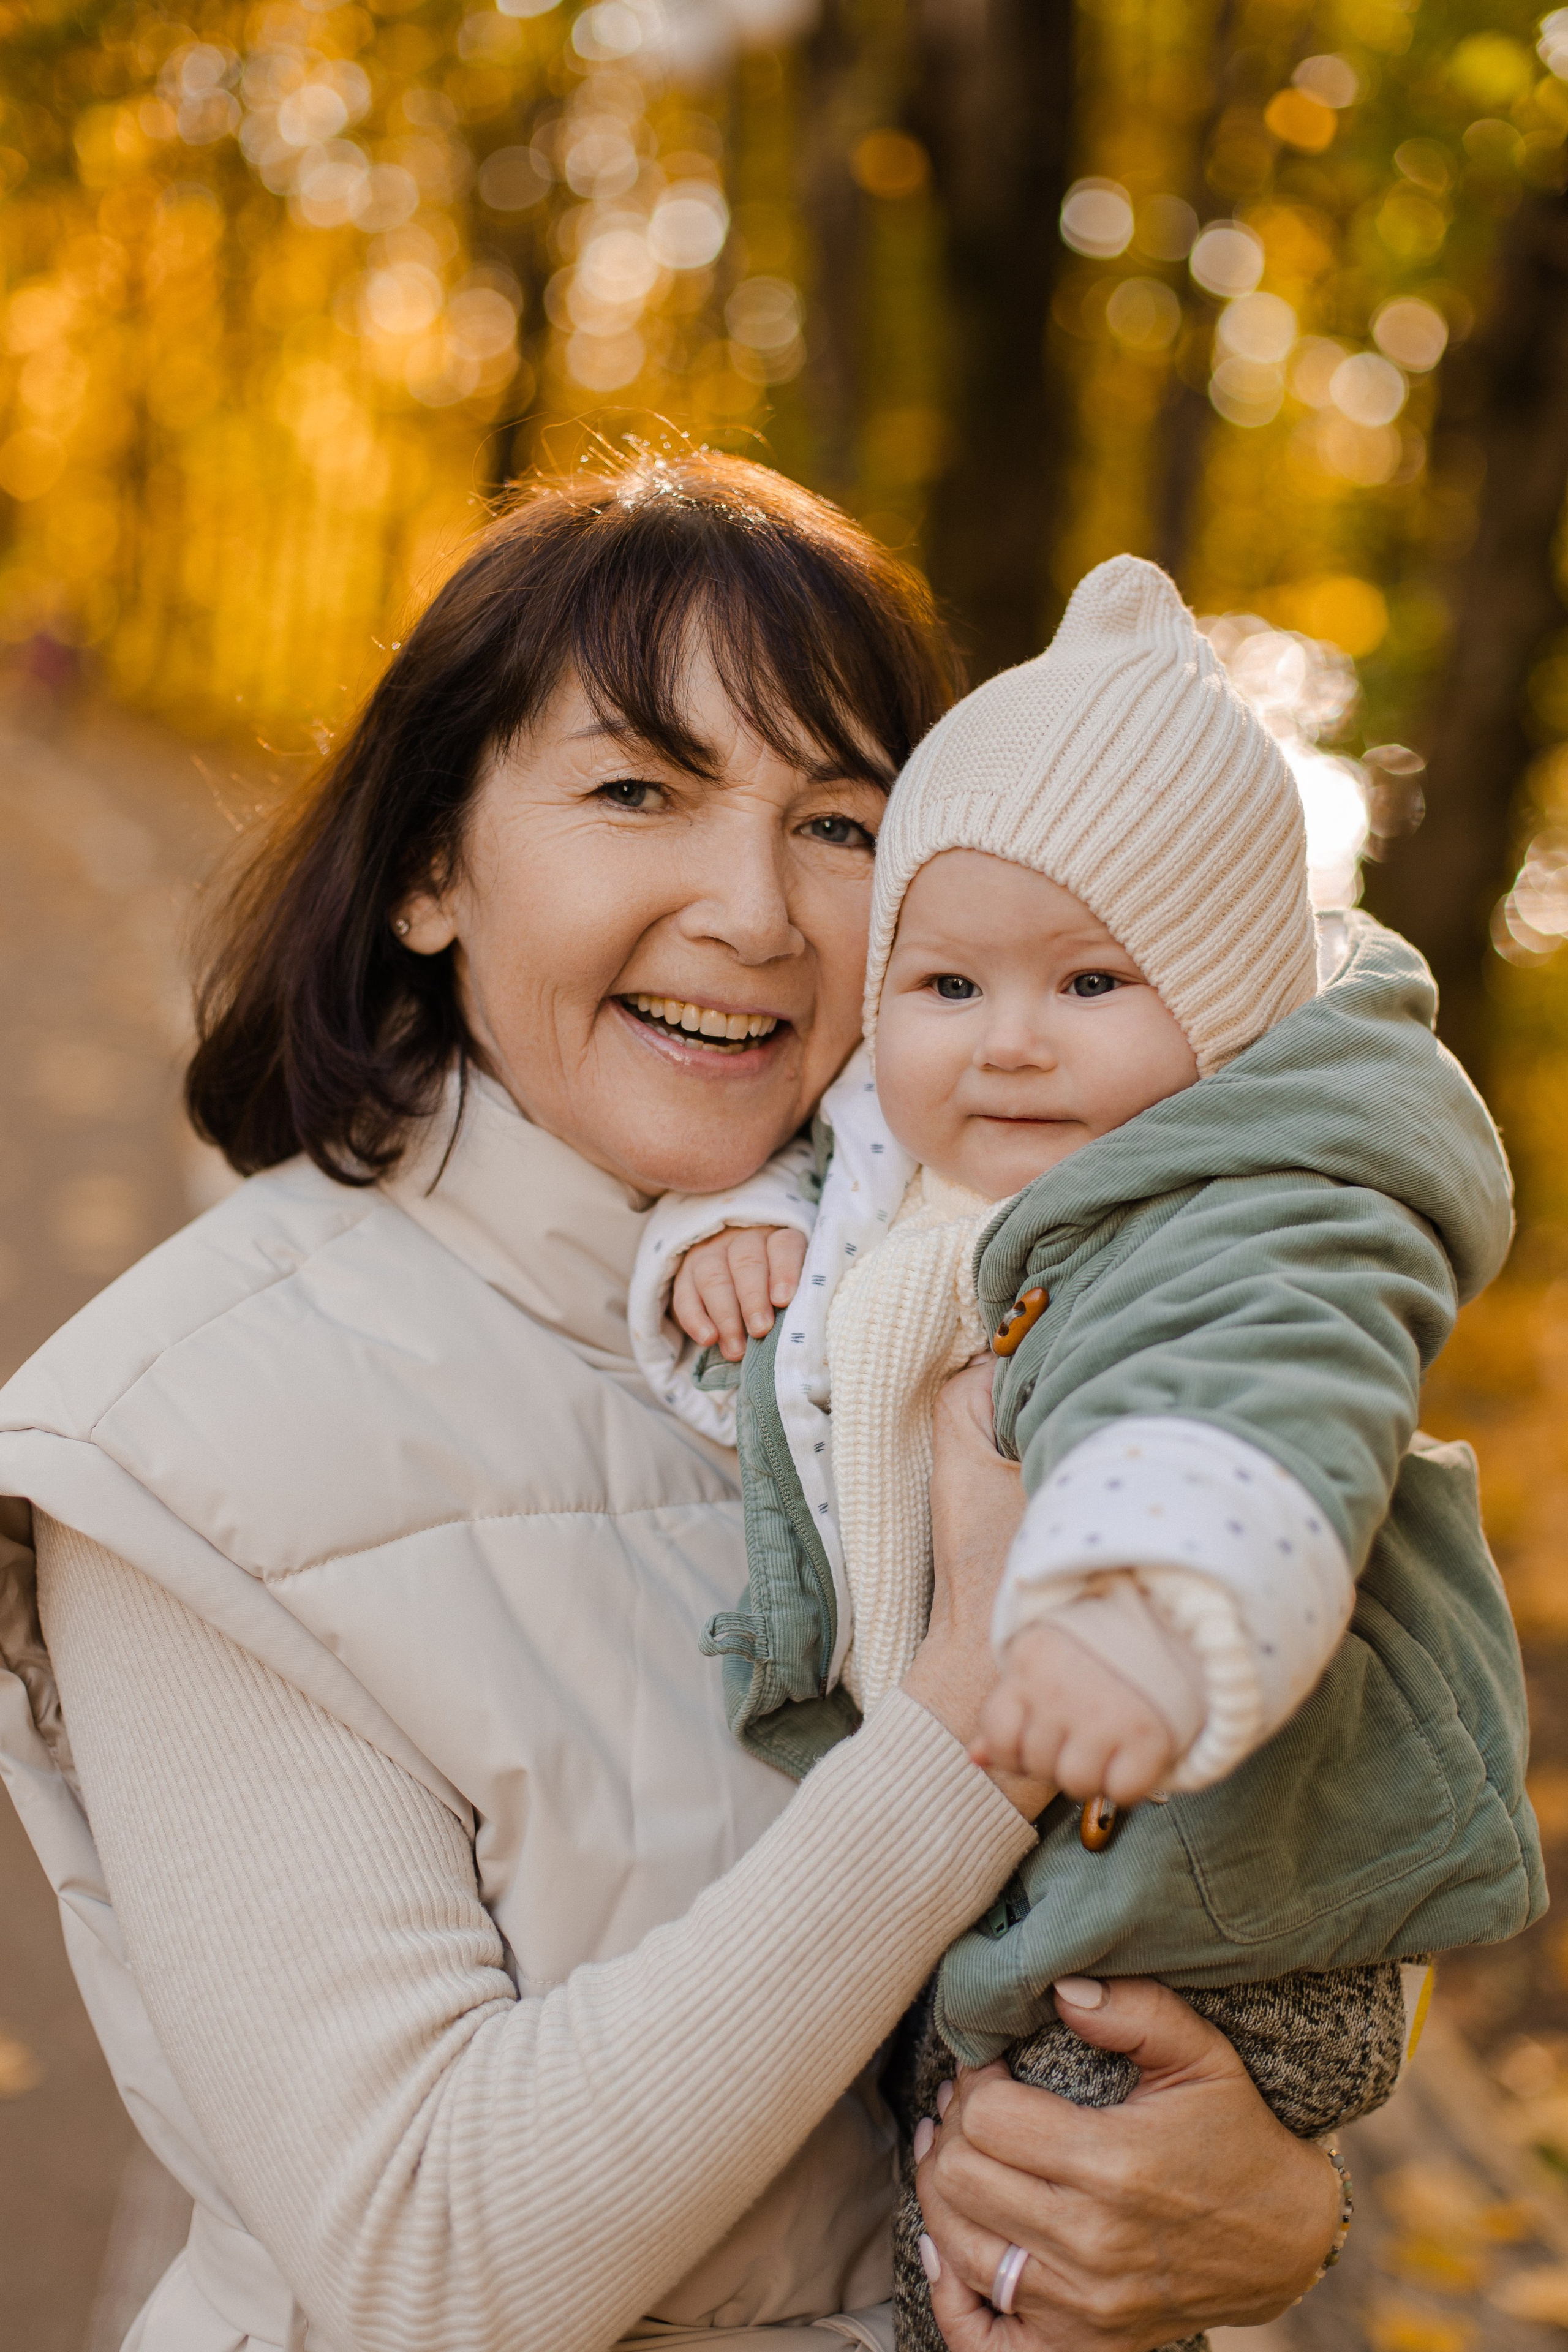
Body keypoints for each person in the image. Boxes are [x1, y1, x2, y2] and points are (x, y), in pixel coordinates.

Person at [0, 456, 1357, 2352]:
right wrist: (973, 1713)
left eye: (840, 822)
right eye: (638, 789)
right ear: (429, 868)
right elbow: (431, 2258)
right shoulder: (186, 1448)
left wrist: (1270, 2206)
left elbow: (1293, 1846)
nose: (755, 911)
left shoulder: (1016, 1302)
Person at [632, 556, 1541, 2350]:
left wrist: (1144, 1601)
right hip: (1056, 1883)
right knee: (957, 2233)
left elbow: (1247, 1392)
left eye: (1093, 979)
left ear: (1224, 1002)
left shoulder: (1248, 1211)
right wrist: (722, 1234)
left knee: (1028, 2242)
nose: (1011, 1040)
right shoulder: (919, 1153)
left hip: (1209, 1906)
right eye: (947, 983)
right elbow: (839, 1196)